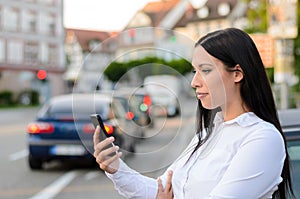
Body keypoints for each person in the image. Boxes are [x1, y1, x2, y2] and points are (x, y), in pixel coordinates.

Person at [93, 28, 295, 199]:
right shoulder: (206, 135)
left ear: (237, 74)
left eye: (205, 70)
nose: (194, 82)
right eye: (194, 71)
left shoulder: (262, 138)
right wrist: (116, 168)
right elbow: (161, 190)